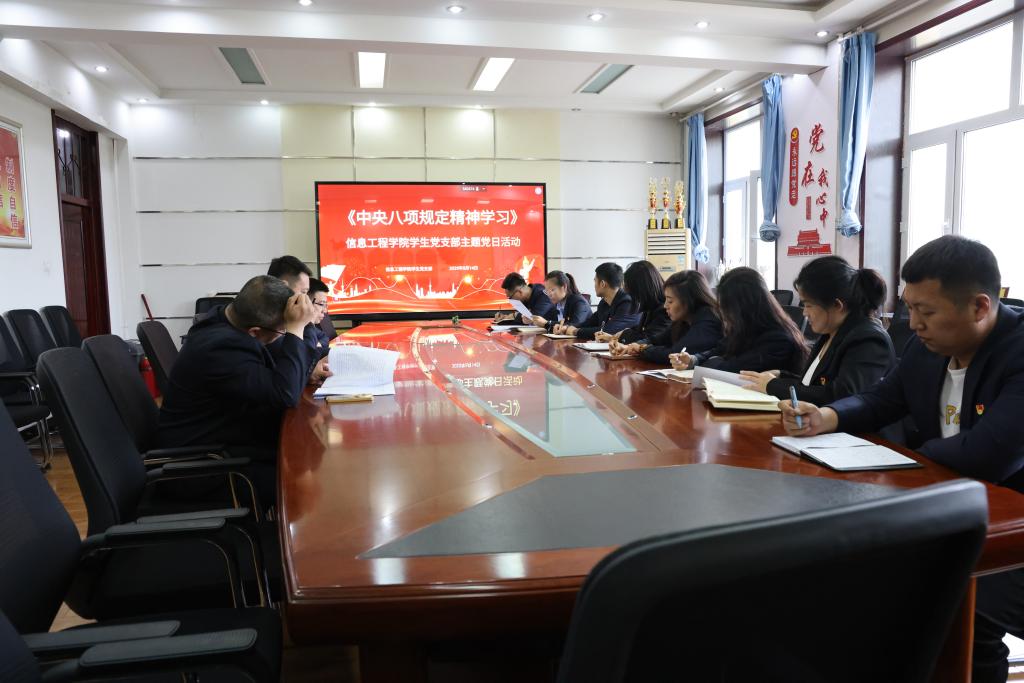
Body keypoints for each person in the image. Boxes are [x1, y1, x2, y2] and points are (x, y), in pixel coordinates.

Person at [777, 236, 1024, 683]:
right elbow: (881, 398)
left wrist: (900, 460)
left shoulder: (1018, 352)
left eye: (925, 311)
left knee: (953, 604)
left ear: (979, 307)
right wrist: (828, 416)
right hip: (954, 503)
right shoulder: (926, 348)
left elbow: (989, 453)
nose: (914, 324)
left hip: (1010, 524)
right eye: (909, 308)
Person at [156, 275, 325, 503]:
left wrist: (300, 350)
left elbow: (280, 372)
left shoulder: (227, 323)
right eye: (282, 331)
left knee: (307, 456)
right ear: (255, 332)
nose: (284, 336)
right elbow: (285, 393)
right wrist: (299, 327)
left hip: (229, 443)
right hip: (204, 469)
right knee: (304, 486)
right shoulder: (221, 347)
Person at [740, 256, 895, 402]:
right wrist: (781, 376)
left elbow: (841, 395)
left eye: (808, 305)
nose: (804, 313)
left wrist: (773, 386)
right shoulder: (831, 332)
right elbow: (815, 384)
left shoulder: (869, 339)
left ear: (837, 305)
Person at [671, 266, 808, 373]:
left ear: (744, 307)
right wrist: (694, 360)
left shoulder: (779, 339)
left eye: (727, 308)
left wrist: (711, 362)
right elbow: (719, 350)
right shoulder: (745, 327)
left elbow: (731, 369)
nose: (723, 314)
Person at [610, 269, 722, 363]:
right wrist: (632, 346)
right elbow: (657, 339)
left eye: (670, 301)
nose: (665, 306)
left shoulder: (708, 319)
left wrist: (641, 349)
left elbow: (675, 353)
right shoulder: (683, 320)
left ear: (689, 301)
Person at [556, 262, 641, 340]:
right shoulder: (604, 302)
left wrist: (575, 331)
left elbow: (609, 330)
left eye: (595, 281)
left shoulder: (627, 302)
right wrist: (566, 327)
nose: (594, 285)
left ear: (602, 284)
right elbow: (588, 323)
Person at [605, 260, 671, 349]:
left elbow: (649, 339)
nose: (633, 298)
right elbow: (643, 330)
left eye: (633, 293)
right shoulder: (651, 306)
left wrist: (624, 334)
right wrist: (625, 332)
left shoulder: (665, 309)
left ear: (641, 289)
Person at [303, 278, 331, 378]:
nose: (325, 310)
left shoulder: (310, 327)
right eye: (322, 304)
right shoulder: (297, 329)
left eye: (326, 305)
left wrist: (318, 345)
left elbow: (324, 337)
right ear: (306, 302)